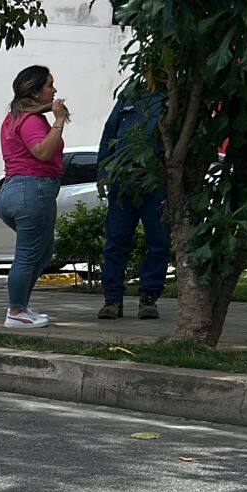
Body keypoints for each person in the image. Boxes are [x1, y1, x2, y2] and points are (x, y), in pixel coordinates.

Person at [0, 65, 70, 328]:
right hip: (32, 190)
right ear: (36, 91)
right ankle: (16, 311)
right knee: (28, 254)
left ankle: (22, 306)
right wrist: (59, 121)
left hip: (16, 191)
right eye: (50, 85)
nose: (55, 89)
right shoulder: (30, 121)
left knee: (43, 250)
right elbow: (41, 151)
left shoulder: (15, 117)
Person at [96, 88, 170, 320]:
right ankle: (112, 300)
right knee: (115, 241)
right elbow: (109, 133)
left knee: (158, 241)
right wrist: (102, 172)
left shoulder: (174, 97)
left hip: (156, 182)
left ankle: (149, 298)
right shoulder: (129, 95)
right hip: (122, 182)